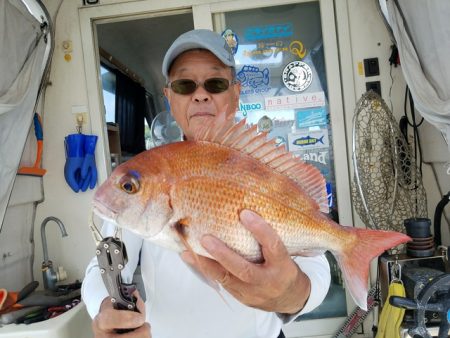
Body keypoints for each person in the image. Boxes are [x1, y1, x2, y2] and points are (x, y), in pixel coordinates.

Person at [82, 29, 331, 338]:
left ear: (236, 93)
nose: (200, 94)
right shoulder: (149, 175)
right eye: (185, 85)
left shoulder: (265, 168)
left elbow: (318, 264)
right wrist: (105, 306)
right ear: (169, 98)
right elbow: (101, 267)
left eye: (215, 83)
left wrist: (294, 294)